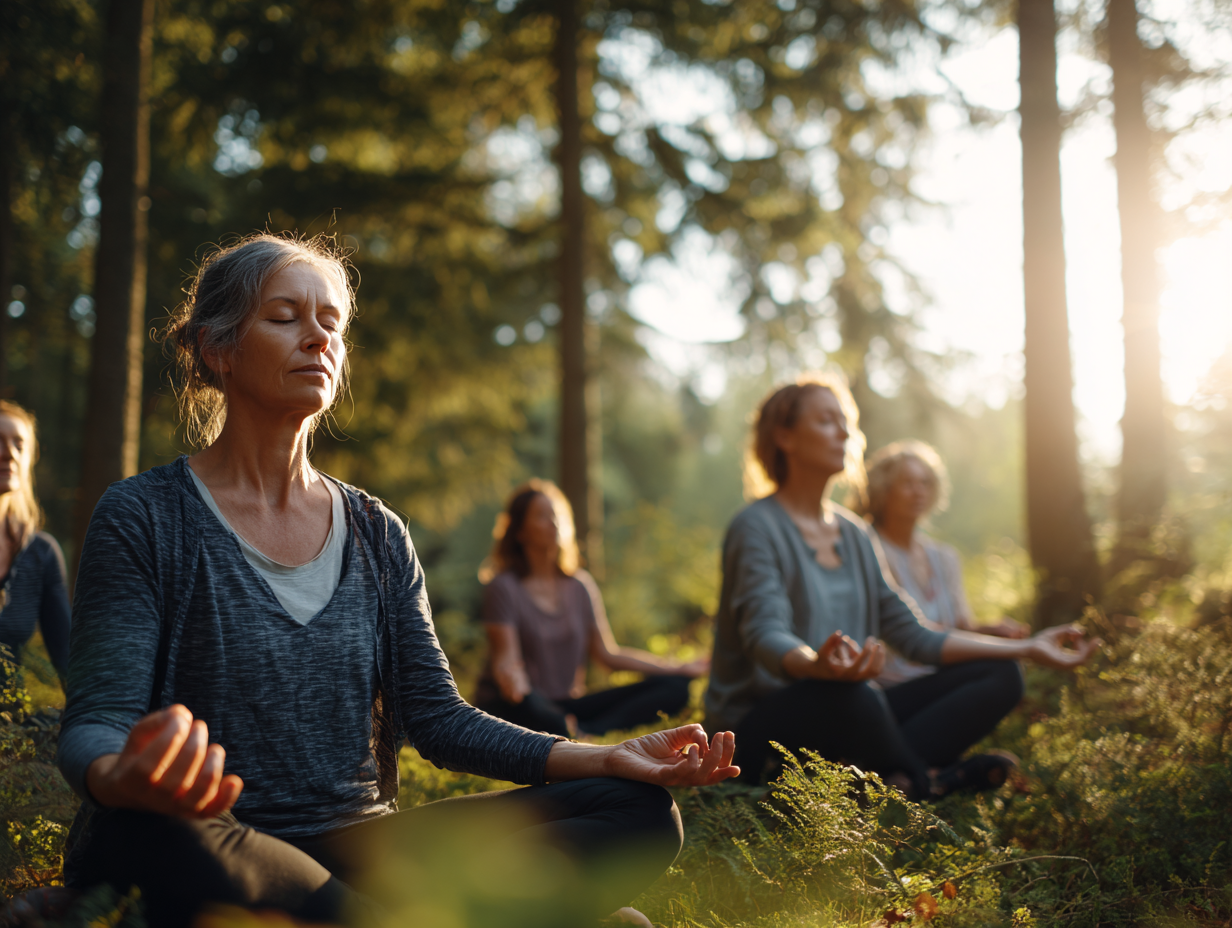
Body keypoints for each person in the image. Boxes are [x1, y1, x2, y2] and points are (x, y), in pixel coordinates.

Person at [57, 233, 738, 928]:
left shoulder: (377, 532)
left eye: (332, 323)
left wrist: (607, 757)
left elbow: (438, 721)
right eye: (286, 317)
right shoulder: (144, 515)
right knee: (162, 835)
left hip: (356, 846)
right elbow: (95, 723)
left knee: (638, 809)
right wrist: (120, 773)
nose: (317, 338)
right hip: (211, 836)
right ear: (217, 348)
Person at [703, 373, 1099, 800]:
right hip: (759, 728)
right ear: (784, 436)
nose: (844, 432)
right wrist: (813, 664)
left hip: (850, 706)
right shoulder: (755, 527)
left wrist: (1028, 647)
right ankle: (922, 783)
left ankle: (879, 783)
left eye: (846, 421)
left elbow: (915, 636)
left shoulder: (855, 534)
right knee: (854, 695)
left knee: (1001, 674)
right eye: (825, 420)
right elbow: (764, 633)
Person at [474, 480, 708, 738]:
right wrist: (512, 678)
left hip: (566, 705)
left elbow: (607, 655)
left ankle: (584, 732)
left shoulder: (579, 585)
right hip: (518, 703)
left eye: (556, 515)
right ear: (519, 531)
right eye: (541, 516)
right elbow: (506, 658)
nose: (553, 523)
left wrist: (678, 668)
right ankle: (567, 730)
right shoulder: (503, 586)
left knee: (675, 688)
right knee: (533, 706)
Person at [865, 439, 1028, 690]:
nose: (918, 491)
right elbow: (904, 633)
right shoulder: (867, 548)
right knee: (1000, 671)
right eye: (907, 483)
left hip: (943, 672)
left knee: (1006, 669)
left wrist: (991, 630)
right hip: (894, 683)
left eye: (925, 483)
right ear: (884, 489)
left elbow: (962, 626)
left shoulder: (945, 557)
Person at [0, 401, 71, 687]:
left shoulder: (41, 553)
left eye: (19, 444)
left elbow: (67, 658)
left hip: (8, 723)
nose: (9, 454)